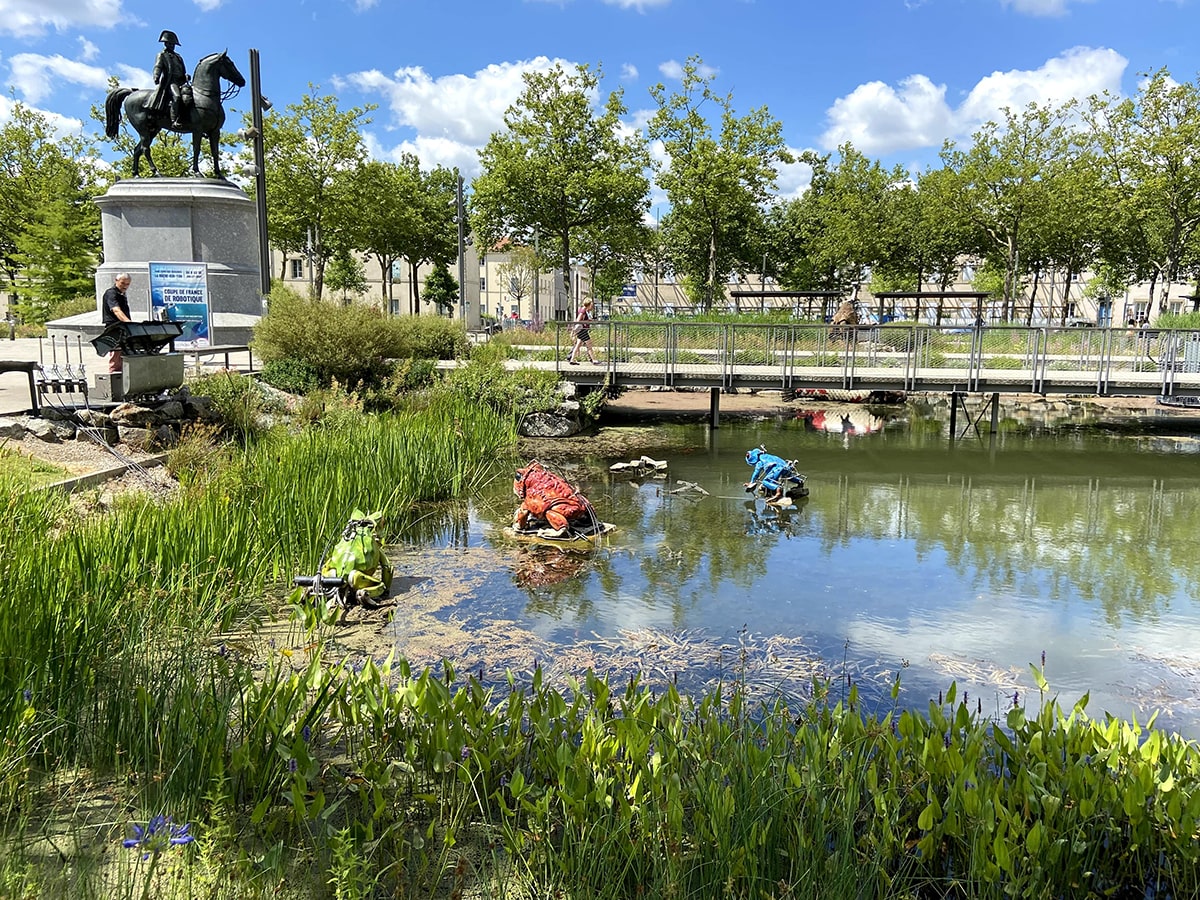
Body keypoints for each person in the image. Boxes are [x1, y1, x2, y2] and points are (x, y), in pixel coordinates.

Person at [151, 30, 189, 129]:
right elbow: (158, 67)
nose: (172, 45)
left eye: (173, 44)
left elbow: (182, 70)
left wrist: (185, 77)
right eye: (170, 43)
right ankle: (174, 120)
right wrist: (156, 76)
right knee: (177, 97)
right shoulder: (162, 55)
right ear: (165, 43)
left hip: (180, 82)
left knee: (190, 97)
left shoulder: (178, 57)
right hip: (171, 82)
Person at [102, 272, 133, 374]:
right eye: (123, 283)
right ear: (116, 281)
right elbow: (116, 310)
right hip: (114, 329)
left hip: (123, 328)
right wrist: (130, 324)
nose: (125, 286)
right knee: (116, 358)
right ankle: (114, 381)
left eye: (127, 284)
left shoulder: (122, 294)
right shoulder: (111, 293)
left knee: (125, 356)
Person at [567, 299, 598, 365]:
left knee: (578, 345)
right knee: (589, 345)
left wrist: (588, 320)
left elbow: (581, 319)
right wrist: (589, 321)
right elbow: (578, 320)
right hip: (582, 330)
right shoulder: (583, 310)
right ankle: (594, 360)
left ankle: (572, 360)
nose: (592, 306)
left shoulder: (583, 309)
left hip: (581, 330)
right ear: (588, 304)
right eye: (591, 305)